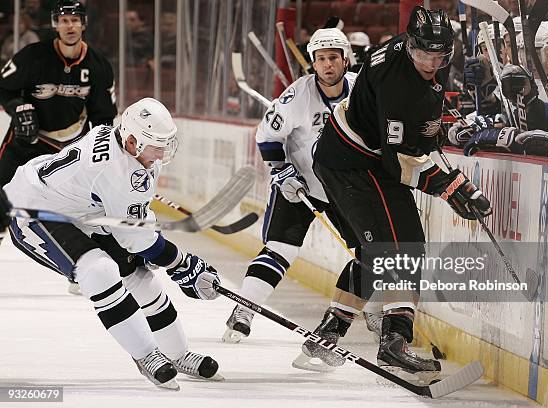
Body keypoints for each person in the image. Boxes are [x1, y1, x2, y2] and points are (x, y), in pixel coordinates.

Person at [299, 7, 492, 383]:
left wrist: (444, 133)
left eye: (439, 56)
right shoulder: (399, 83)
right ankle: (394, 342)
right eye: (424, 55)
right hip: (356, 163)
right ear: (411, 47)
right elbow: (399, 160)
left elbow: (417, 132)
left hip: (352, 158)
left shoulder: (410, 51)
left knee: (378, 253)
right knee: (401, 249)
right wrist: (451, 188)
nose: (431, 62)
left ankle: (327, 335)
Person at [4, 97, 223, 390]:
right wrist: (182, 262)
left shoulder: (130, 151)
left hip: (78, 207)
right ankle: (146, 355)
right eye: (157, 145)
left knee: (139, 277)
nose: (162, 154)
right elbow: (137, 239)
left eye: (166, 144)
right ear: (132, 141)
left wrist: (168, 258)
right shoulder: (116, 169)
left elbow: (137, 218)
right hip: (32, 209)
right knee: (99, 271)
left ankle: (178, 353)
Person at [223, 28, 384, 343]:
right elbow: (267, 136)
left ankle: (373, 311)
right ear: (313, 62)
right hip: (299, 186)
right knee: (281, 249)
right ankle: (244, 310)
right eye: (321, 59)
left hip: (345, 189)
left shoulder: (362, 92)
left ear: (346, 59)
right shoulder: (298, 94)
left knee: (372, 253)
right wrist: (282, 170)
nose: (327, 65)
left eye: (333, 58)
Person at [0, 0, 117, 294]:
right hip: (26, 142)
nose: (70, 25)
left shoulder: (99, 65)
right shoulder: (32, 56)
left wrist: (99, 148)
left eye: (75, 20)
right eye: (64, 20)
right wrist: (19, 108)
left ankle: (79, 264)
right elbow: (4, 87)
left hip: (66, 151)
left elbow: (104, 117)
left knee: (76, 208)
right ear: (55, 24)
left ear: (84, 24)